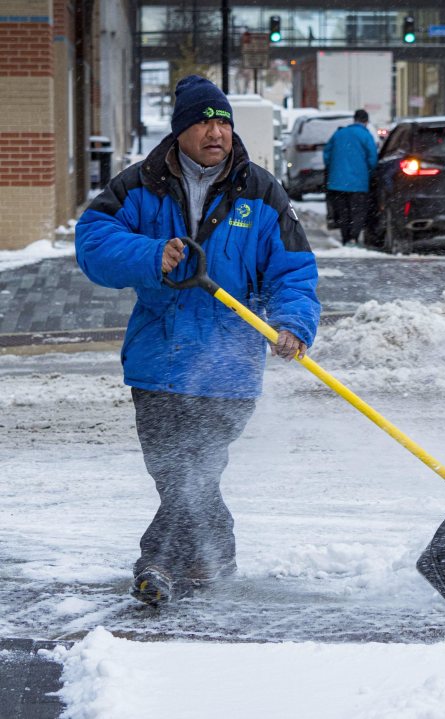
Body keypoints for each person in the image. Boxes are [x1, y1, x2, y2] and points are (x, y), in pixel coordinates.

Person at [75, 75, 321, 606]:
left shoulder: (261, 192)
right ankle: (216, 557)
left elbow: (294, 271)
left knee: (196, 469)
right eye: (205, 121)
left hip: (229, 365)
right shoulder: (140, 185)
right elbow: (93, 241)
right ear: (182, 130)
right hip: (158, 360)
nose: (217, 131)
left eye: (224, 122)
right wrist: (148, 256)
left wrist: (294, 323)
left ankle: (156, 563)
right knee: (177, 472)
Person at [322, 109, 378, 246]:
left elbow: (326, 154)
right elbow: (372, 158)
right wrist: (370, 173)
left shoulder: (339, 134)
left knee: (343, 211)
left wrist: (334, 169)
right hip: (358, 182)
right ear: (366, 122)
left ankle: (345, 237)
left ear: (354, 119)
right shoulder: (366, 135)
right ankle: (354, 237)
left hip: (337, 182)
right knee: (357, 211)